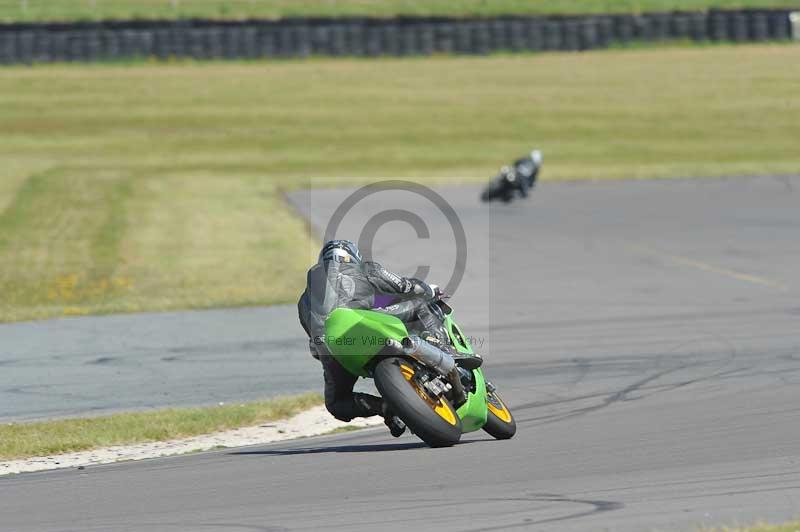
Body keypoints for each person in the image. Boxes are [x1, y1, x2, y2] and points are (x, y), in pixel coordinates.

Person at [297, 239, 451, 437]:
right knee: (420, 305)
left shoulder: (304, 301)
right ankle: (444, 348)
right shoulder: (364, 268)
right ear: (353, 256)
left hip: (335, 348)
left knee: (337, 404)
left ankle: (385, 408)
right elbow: (404, 286)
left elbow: (313, 344)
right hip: (365, 326)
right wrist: (429, 290)